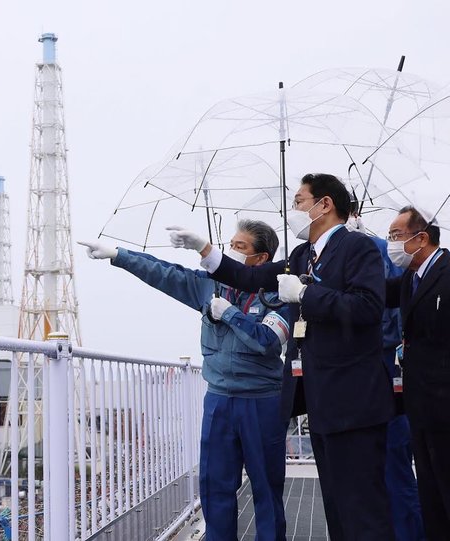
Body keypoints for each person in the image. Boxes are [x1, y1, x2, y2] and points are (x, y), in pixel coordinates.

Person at [171, 173, 395, 540]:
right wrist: (204, 249)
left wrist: (306, 294)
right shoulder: (302, 255)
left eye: (298, 201)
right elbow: (248, 277)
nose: (293, 210)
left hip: (354, 402)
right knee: (337, 509)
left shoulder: (358, 248)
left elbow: (369, 307)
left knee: (362, 510)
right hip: (321, 401)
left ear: (325, 204)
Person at [79, 219, 291, 541]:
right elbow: (164, 273)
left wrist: (231, 314)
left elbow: (268, 342)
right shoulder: (210, 286)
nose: (231, 251)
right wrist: (118, 255)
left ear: (261, 259)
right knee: (214, 484)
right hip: (218, 399)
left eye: (241, 247)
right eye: (230, 244)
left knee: (266, 488)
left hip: (261, 401)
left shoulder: (280, 294)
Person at [347, 213, 425, 541]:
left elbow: (396, 289)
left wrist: (374, 243)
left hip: (387, 370)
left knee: (395, 469)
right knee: (363, 475)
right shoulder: (332, 256)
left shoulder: (382, 252)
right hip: (353, 376)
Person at [385, 205, 450, 539]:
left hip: (444, 407)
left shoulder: (446, 272)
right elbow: (378, 294)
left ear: (421, 237)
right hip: (420, 407)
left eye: (396, 235)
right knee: (431, 496)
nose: (391, 243)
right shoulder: (411, 276)